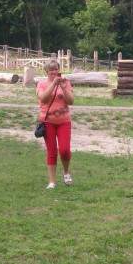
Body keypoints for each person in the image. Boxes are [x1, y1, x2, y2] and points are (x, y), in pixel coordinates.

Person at [36, 59, 75, 189]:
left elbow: (71, 101)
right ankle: (52, 181)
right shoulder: (41, 84)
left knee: (64, 150)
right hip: (47, 122)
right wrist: (53, 84)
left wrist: (63, 87)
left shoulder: (66, 82)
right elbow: (43, 98)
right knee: (52, 151)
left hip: (64, 121)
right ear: (46, 71)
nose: (54, 72)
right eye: (51, 70)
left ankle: (66, 171)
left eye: (56, 69)